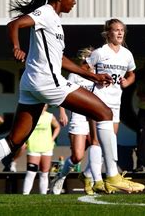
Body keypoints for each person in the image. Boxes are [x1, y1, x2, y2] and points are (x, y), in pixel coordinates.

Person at [0, 0, 144, 205]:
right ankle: (112, 175)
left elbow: (60, 59)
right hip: (46, 82)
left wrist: (91, 75)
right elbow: (13, 24)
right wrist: (16, 47)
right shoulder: (45, 13)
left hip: (32, 84)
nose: (74, 1)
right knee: (105, 113)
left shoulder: (54, 20)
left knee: (15, 140)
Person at [68, 18, 136, 194]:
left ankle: (89, 174)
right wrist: (95, 77)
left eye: (122, 30)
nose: (120, 33)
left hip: (115, 102)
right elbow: (83, 68)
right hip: (98, 100)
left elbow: (131, 74)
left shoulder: (127, 55)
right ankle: (99, 180)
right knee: (97, 141)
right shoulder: (100, 52)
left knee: (110, 141)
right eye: (116, 30)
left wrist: (127, 82)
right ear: (108, 33)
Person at [49, 47, 97, 195]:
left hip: (94, 116)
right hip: (78, 117)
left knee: (98, 148)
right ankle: (60, 177)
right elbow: (64, 95)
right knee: (77, 156)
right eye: (89, 59)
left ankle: (89, 178)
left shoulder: (97, 74)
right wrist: (62, 112)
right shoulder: (74, 75)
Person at [22, 104, 60, 194]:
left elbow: (57, 127)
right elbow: (24, 129)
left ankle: (43, 196)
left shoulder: (50, 116)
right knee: (31, 172)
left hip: (47, 148)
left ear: (46, 106)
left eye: (44, 105)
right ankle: (25, 195)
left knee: (44, 173)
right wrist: (24, 141)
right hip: (33, 148)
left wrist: (52, 139)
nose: (43, 107)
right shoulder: (31, 116)